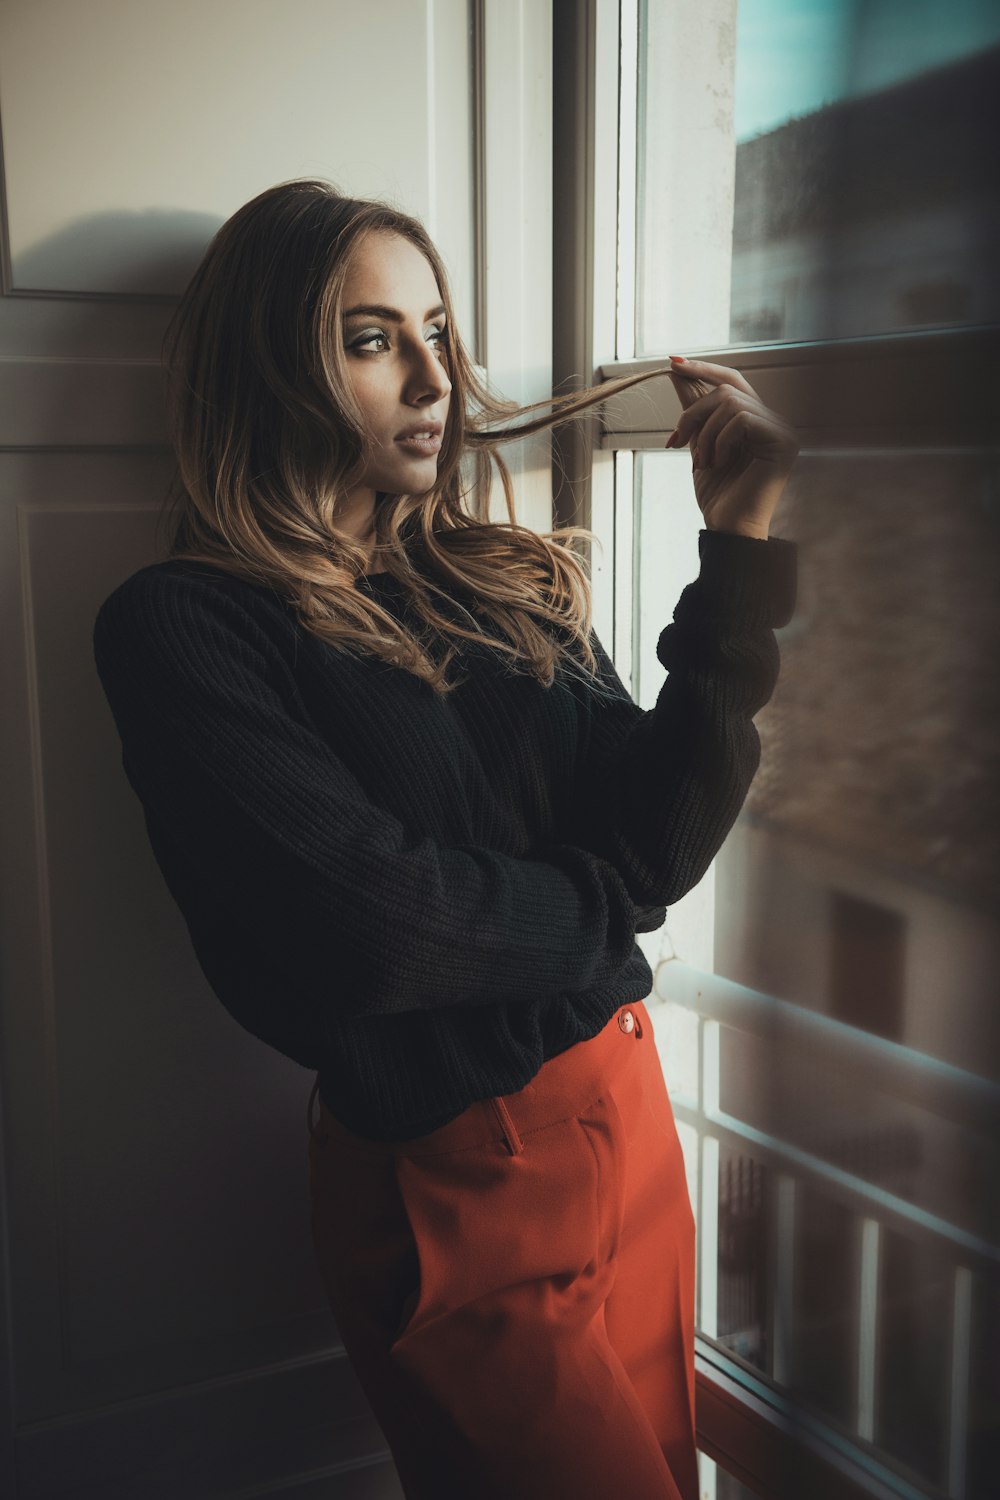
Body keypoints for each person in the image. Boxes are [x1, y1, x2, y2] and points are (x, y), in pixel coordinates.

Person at [92, 178, 798, 1500]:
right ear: (266, 368)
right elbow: (371, 928)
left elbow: (665, 827)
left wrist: (739, 542)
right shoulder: (184, 625)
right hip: (447, 1174)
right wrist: (603, 911)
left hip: (624, 1106)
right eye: (372, 339)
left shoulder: (502, 574)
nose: (433, 378)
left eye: (436, 332)